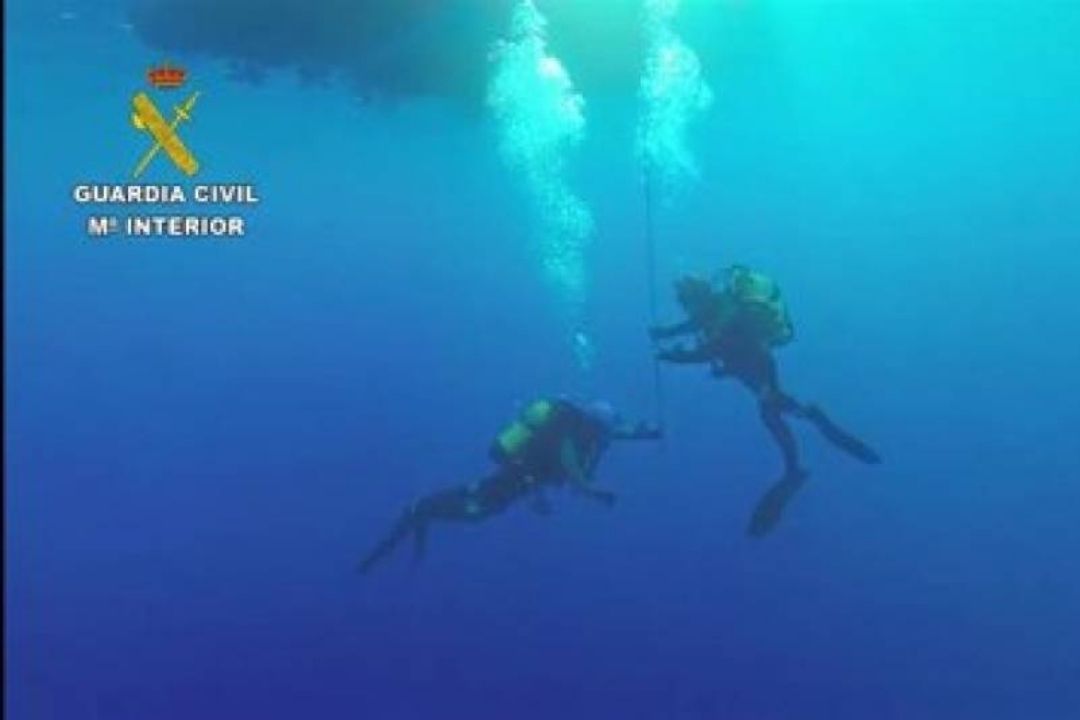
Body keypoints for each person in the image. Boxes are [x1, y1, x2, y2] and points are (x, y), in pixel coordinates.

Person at [650, 265, 881, 535]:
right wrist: (665, 333)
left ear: (697, 297)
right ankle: (807, 425)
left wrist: (675, 357)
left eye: (685, 301)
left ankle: (796, 462)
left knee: (770, 412)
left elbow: (709, 350)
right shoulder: (713, 310)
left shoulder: (725, 314)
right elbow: (693, 327)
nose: (685, 307)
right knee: (774, 407)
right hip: (751, 367)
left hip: (757, 365)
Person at [357, 398, 662, 573]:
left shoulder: (585, 429)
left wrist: (646, 433)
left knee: (481, 501)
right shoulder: (571, 432)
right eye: (601, 433)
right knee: (479, 506)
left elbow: (614, 434)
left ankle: (422, 512)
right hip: (519, 474)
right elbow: (569, 463)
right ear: (593, 426)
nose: (602, 441)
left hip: (526, 479)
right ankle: (420, 509)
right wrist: (594, 492)